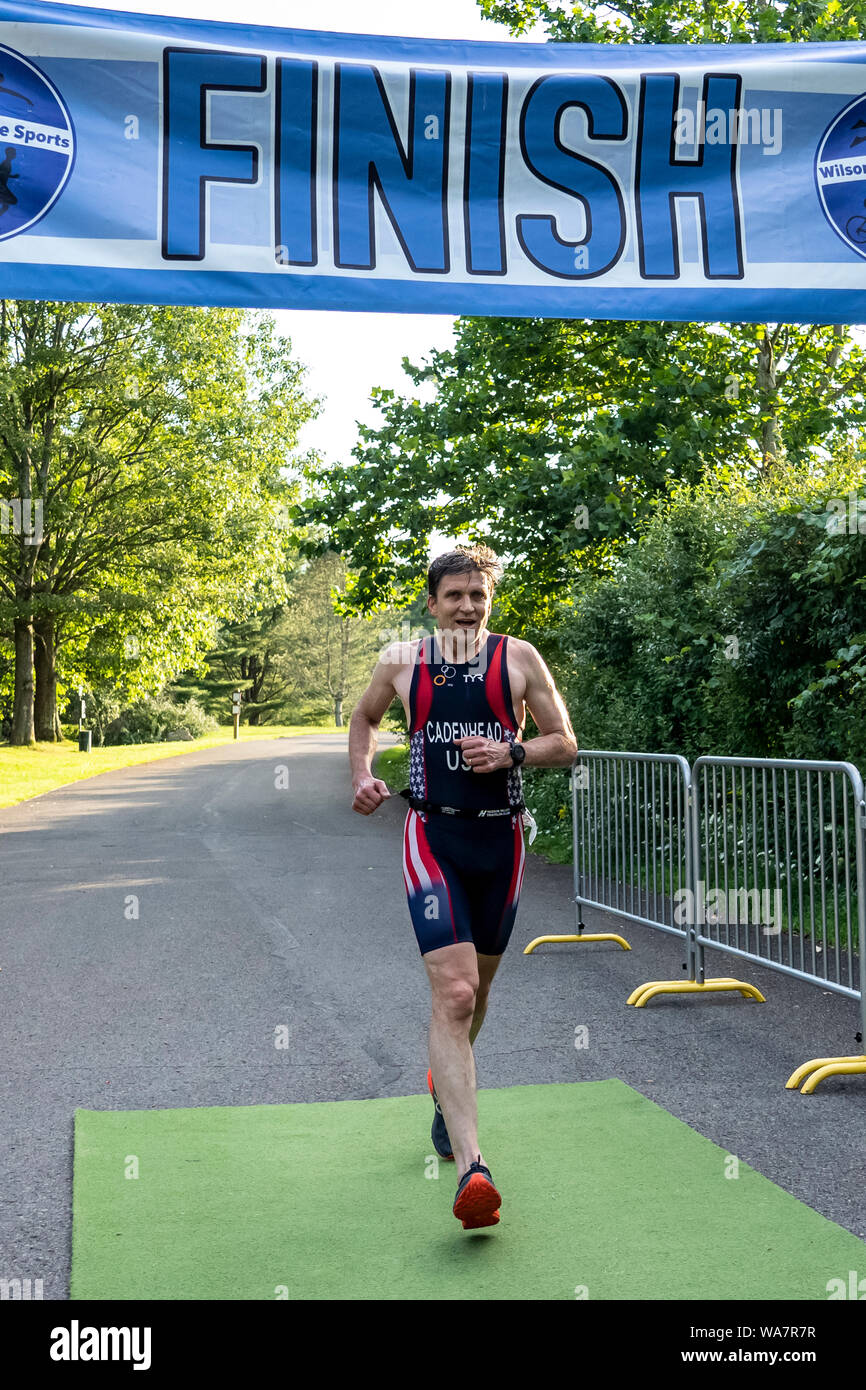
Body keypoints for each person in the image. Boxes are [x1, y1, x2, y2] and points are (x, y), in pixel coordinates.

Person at [349, 545, 577, 1229]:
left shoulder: (519, 658)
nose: (469, 607)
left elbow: (564, 741)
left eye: (479, 595)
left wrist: (514, 751)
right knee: (454, 993)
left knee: (478, 994)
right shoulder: (402, 661)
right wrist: (361, 773)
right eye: (455, 596)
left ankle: (444, 1090)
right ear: (432, 602)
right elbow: (364, 719)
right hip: (431, 836)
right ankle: (472, 1166)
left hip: (499, 842)